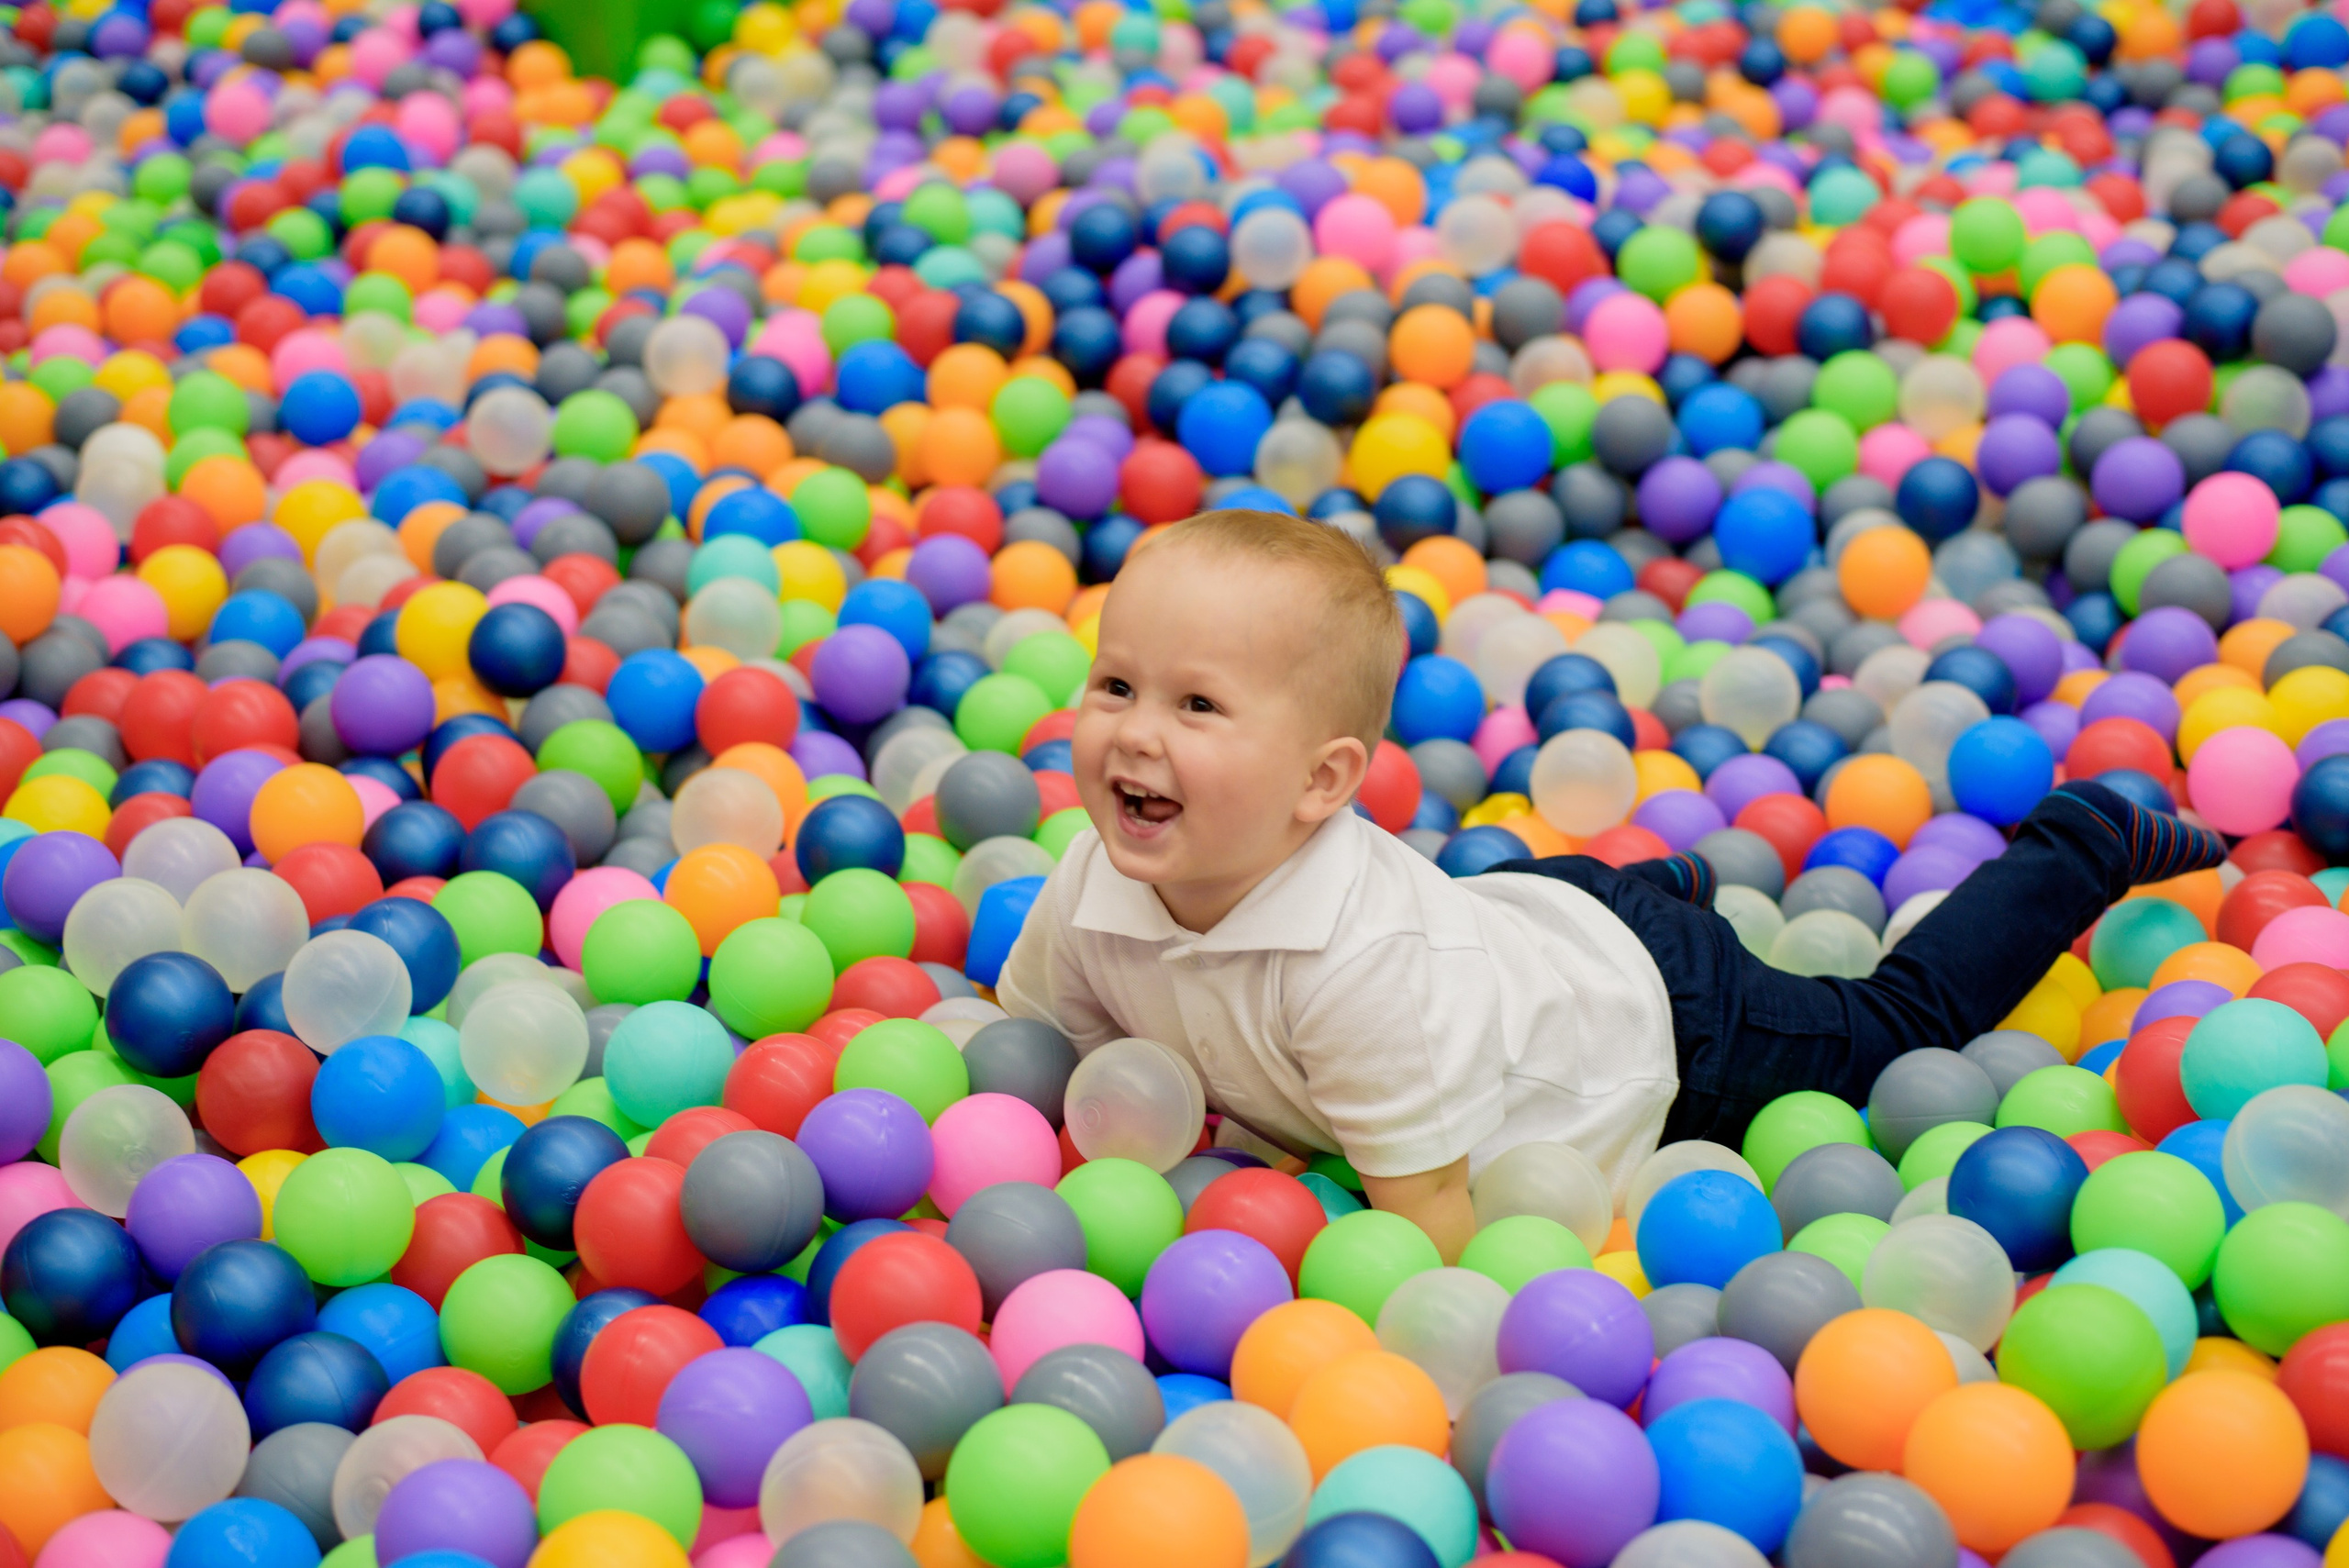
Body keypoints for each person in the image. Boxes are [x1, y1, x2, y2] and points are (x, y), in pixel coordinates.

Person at [996, 510, 2224, 1261]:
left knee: (1893, 1031)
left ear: (1323, 783)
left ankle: (2077, 840)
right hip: (1525, 917)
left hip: (1662, 1022)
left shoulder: (1349, 973)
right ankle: (1666, 882)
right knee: (1498, 914)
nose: (1134, 734)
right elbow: (1044, 1058)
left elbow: (1430, 1231)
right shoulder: (1094, 879)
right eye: (1116, 686)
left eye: (1196, 704)